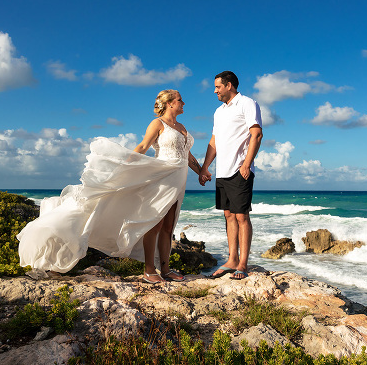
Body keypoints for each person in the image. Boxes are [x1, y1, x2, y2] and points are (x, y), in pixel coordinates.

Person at [17, 89, 204, 284]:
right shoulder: (157, 124)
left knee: (168, 226)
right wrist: (123, 165)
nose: (184, 103)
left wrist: (200, 172)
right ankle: (149, 270)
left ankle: (165, 270)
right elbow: (142, 147)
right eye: (180, 100)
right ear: (170, 103)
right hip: (162, 178)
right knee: (154, 224)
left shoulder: (182, 126)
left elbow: (187, 155)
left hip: (178, 180)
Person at [199, 71, 262, 280]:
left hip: (239, 169)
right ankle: (232, 259)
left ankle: (243, 264)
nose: (215, 90)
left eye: (218, 86)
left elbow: (257, 134)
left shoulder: (247, 103)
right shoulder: (218, 112)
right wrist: (205, 167)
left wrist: (247, 164)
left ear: (229, 86)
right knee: (228, 215)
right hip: (222, 171)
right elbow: (214, 141)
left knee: (242, 215)